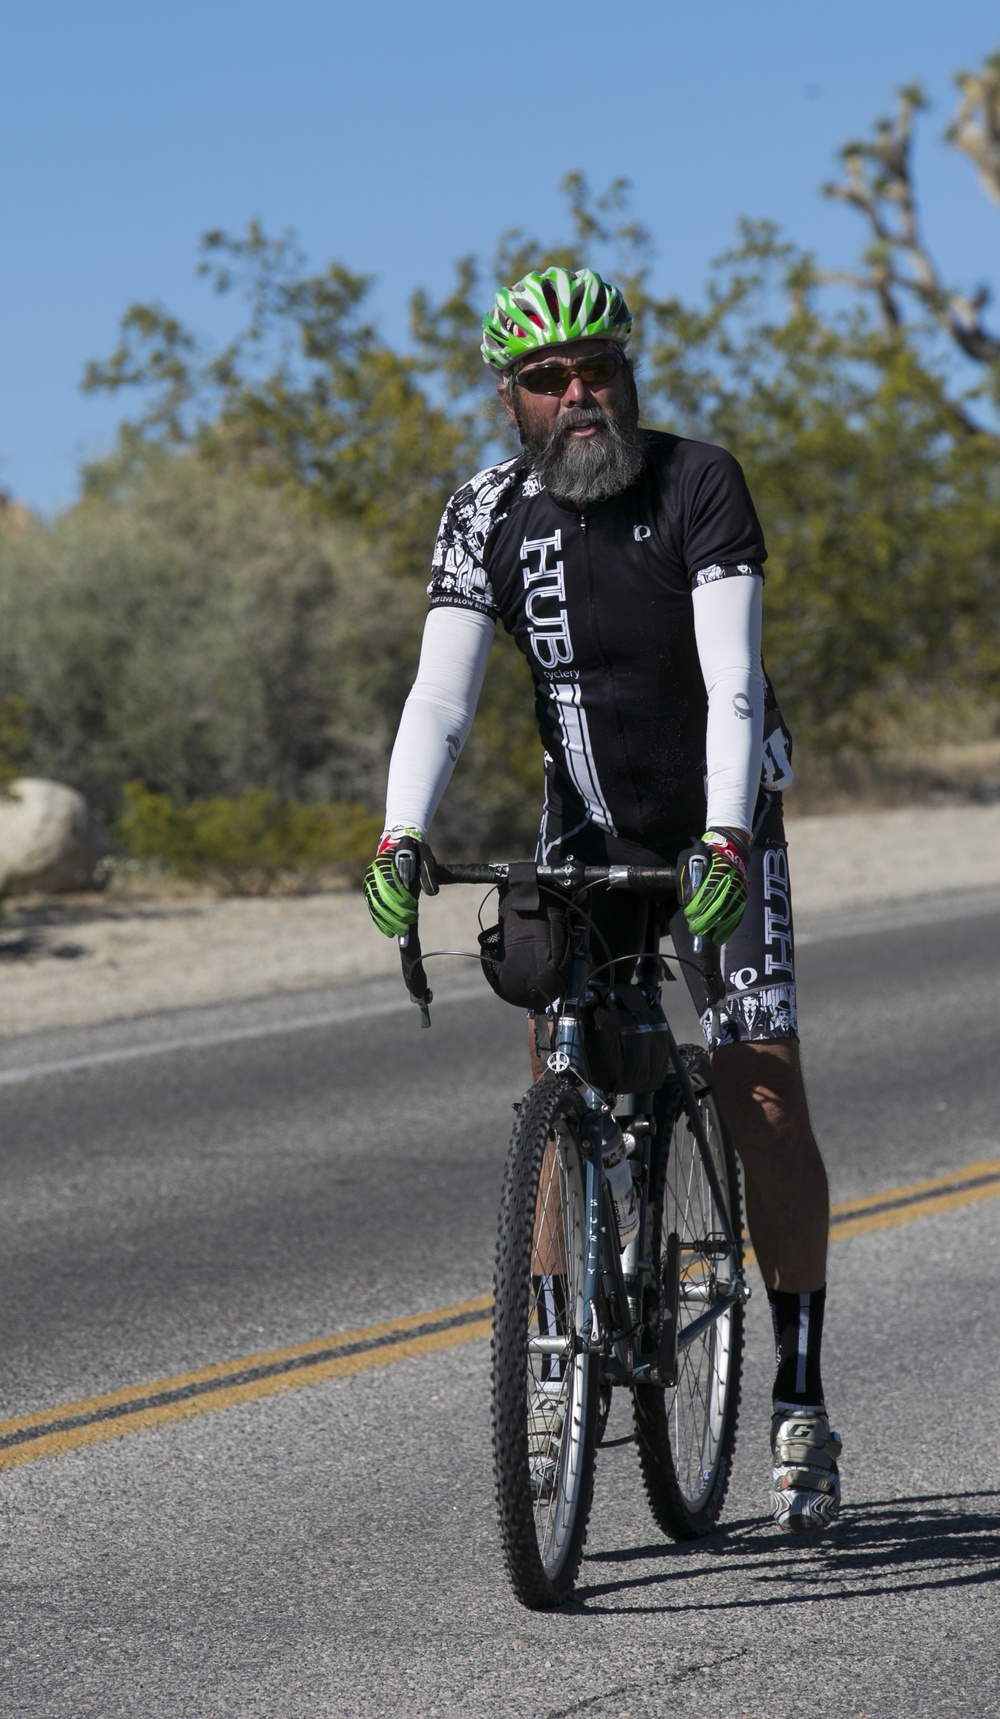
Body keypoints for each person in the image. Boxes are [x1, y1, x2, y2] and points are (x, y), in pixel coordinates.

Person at [363, 266, 840, 1535]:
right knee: (553, 1061)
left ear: (628, 374)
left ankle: (796, 1396)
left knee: (760, 1084)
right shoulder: (482, 512)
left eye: (599, 371)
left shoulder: (696, 480)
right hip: (581, 823)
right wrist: (403, 833)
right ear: (508, 397)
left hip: (717, 817)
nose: (579, 397)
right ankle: (559, 1364)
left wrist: (729, 838)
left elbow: (733, 681)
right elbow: (443, 695)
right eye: (547, 379)